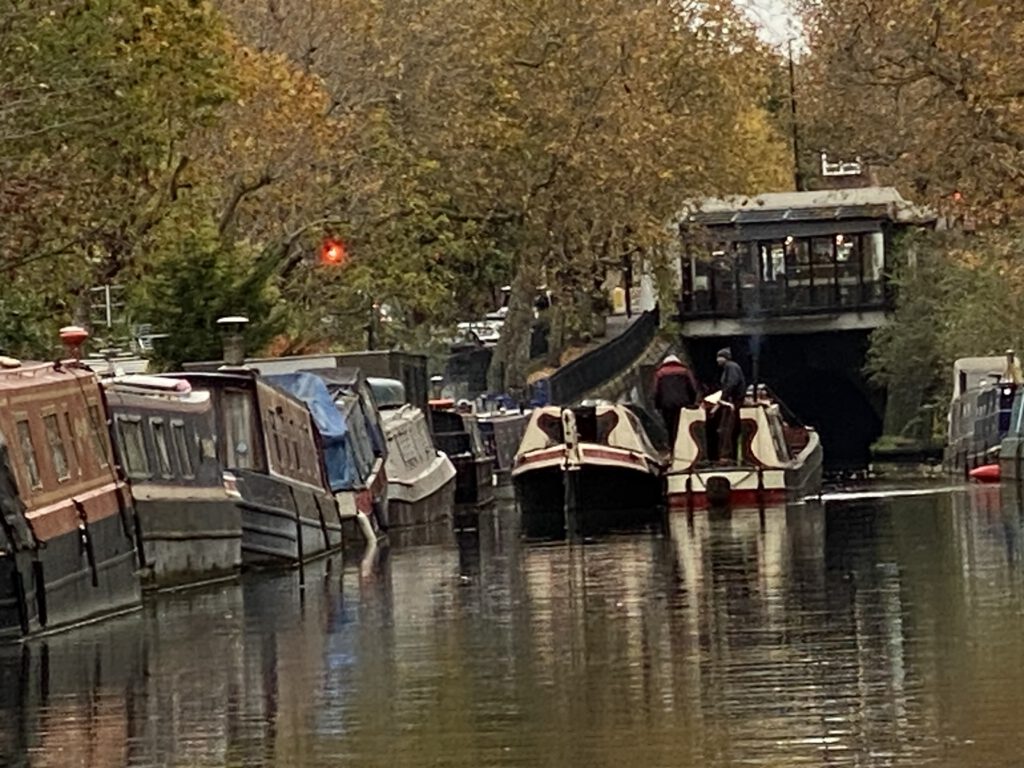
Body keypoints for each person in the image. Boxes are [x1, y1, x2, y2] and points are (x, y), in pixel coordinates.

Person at [653, 354, 700, 445]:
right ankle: (683, 446)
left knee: (670, 426)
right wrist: (692, 401)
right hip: (684, 403)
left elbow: (656, 391)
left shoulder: (660, 373)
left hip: (666, 405)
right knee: (682, 426)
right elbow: (693, 388)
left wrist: (657, 405)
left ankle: (672, 446)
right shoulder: (685, 372)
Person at [716, 348, 746, 464]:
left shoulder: (731, 367)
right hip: (732, 402)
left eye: (719, 357)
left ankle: (727, 456)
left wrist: (723, 397)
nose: (717, 360)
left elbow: (732, 383)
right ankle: (731, 455)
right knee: (730, 430)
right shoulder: (731, 367)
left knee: (728, 429)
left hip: (733, 403)